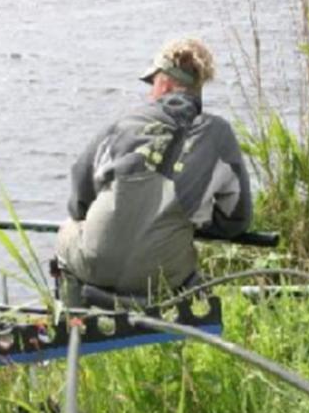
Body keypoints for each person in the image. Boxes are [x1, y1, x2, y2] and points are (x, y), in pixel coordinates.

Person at [55, 38, 252, 307]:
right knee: (180, 257)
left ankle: (72, 318)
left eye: (153, 84)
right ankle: (173, 317)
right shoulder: (219, 134)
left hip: (95, 267)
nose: (151, 93)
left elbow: (78, 203)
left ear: (165, 84)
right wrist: (193, 218)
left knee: (67, 229)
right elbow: (236, 220)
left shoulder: (122, 124)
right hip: (165, 276)